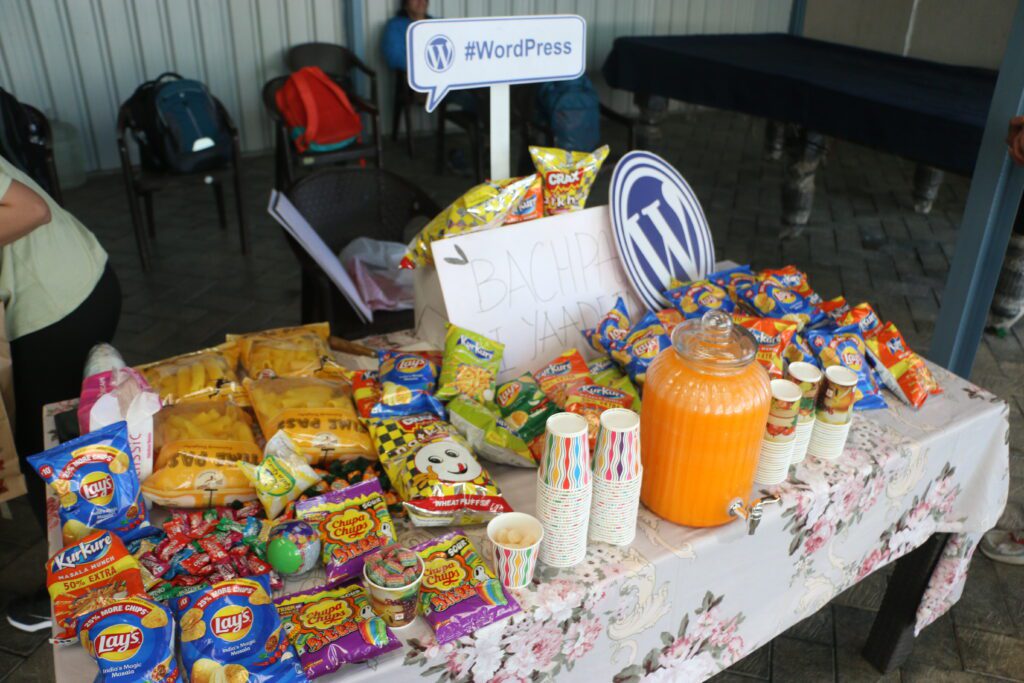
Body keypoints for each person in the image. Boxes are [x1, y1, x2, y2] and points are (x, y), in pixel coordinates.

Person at [0, 153, 121, 632]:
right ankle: (107, 569)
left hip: (57, 306)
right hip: (76, 282)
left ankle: (82, 593)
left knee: (46, 457)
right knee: (71, 445)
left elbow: (29, 210)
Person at [382, 0, 430, 72]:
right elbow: (394, 58)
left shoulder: (437, 23)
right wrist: (426, 66)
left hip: (439, 74)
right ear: (405, 3)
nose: (420, 1)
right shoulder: (395, 26)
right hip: (410, 75)